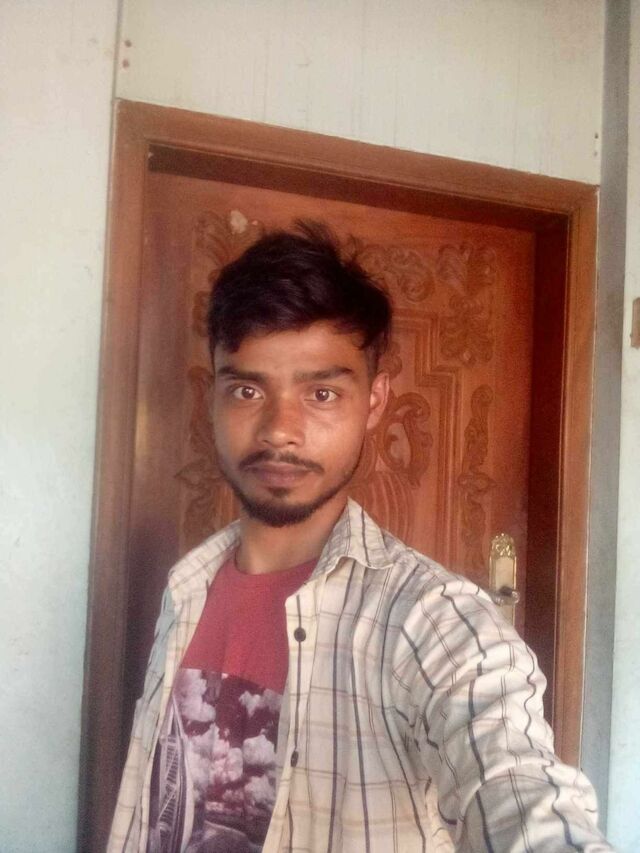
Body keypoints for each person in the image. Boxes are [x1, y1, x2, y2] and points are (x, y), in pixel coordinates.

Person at [108, 222, 612, 852]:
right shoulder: (187, 584)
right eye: (247, 389)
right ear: (212, 395)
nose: (280, 429)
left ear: (374, 402)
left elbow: (515, 784)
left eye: (321, 393)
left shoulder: (432, 619)